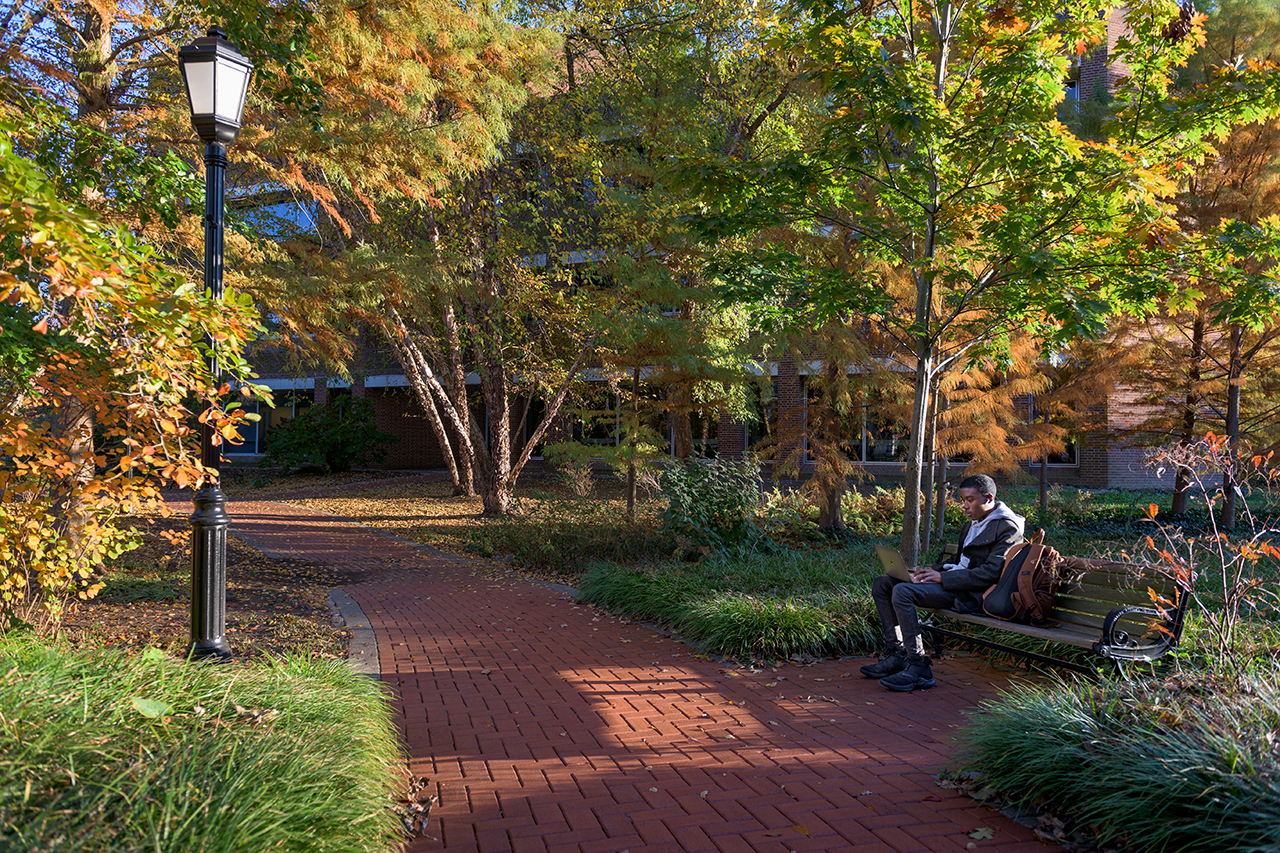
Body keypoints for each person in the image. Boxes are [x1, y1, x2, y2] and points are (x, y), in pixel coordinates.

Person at [860, 474, 1025, 692]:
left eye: (970, 500)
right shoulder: (973, 523)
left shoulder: (1007, 528)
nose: (964, 506)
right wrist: (929, 571)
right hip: (953, 584)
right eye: (963, 499)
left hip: (972, 595)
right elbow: (959, 562)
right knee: (883, 583)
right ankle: (896, 655)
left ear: (989, 498)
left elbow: (991, 574)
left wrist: (943, 578)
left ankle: (919, 667)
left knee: (902, 592)